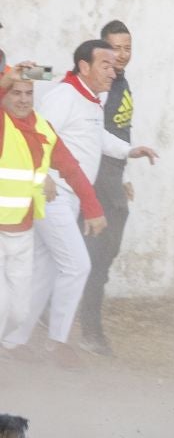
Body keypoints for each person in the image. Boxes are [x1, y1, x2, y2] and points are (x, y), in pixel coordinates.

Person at [2, 41, 156, 363]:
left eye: (114, 66)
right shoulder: (64, 96)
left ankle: (14, 341)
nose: (113, 72)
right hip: (52, 196)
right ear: (84, 67)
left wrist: (129, 150)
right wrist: (42, 176)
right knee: (77, 264)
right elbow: (40, 135)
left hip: (60, 197)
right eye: (106, 65)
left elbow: (91, 141)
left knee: (44, 268)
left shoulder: (92, 100)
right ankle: (56, 341)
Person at [0, 72, 103, 350]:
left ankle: (8, 346)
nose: (23, 100)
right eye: (16, 93)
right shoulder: (2, 125)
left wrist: (93, 208)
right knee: (2, 306)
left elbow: (72, 169)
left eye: (29, 93)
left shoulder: (43, 129)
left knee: (18, 312)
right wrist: (6, 80)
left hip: (21, 234)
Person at [76, 20, 137, 356]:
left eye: (127, 48)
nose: (122, 55)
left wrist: (120, 176)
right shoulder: (100, 87)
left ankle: (69, 321)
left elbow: (116, 134)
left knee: (99, 258)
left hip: (111, 178)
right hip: (98, 182)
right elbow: (91, 138)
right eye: (115, 48)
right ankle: (90, 332)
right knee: (96, 259)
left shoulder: (120, 82)